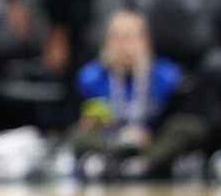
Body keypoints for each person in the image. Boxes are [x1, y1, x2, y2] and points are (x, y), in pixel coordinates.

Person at [70, 10, 207, 180]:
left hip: (152, 141)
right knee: (77, 134)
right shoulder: (91, 77)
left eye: (131, 37)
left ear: (145, 41)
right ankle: (122, 160)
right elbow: (83, 123)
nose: (124, 46)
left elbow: (176, 119)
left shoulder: (168, 76)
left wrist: (149, 135)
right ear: (106, 43)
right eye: (117, 38)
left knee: (189, 127)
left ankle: (142, 164)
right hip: (111, 140)